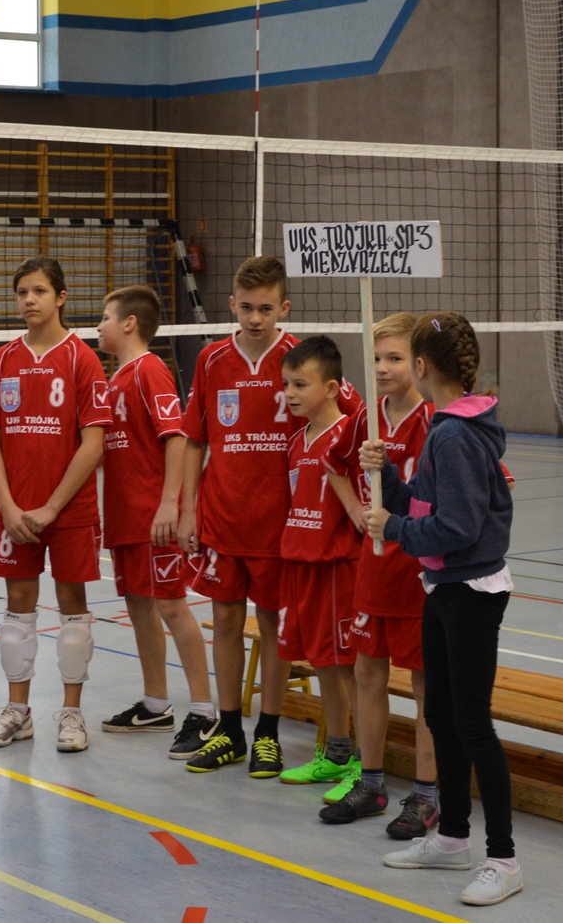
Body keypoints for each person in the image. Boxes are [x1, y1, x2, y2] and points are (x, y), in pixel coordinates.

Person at [177, 257, 356, 775]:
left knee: (275, 625)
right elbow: (194, 440)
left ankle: (268, 734)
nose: (255, 318)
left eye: (266, 309)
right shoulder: (211, 360)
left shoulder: (301, 361)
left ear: (284, 308)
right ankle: (229, 729)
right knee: (226, 620)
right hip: (223, 516)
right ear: (232, 304)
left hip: (282, 525)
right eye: (247, 308)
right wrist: (186, 509)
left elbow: (350, 417)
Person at [366, 312, 521, 907]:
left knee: (472, 724)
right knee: (441, 716)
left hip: (471, 589)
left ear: (422, 365)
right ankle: (452, 838)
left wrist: (393, 527)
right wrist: (389, 479)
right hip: (442, 585)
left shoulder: (453, 434)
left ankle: (503, 858)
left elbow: (456, 527)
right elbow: (428, 503)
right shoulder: (451, 426)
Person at [0, 257, 111, 753]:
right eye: (21, 292)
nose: (29, 300)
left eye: (39, 291)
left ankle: (71, 713)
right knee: (17, 609)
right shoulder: (3, 359)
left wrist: (52, 507)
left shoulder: (81, 359)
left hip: (69, 512)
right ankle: (18, 711)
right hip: (17, 512)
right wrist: (8, 507)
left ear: (61, 297)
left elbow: (93, 442)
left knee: (73, 609)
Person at [319, 312, 439, 836]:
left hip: (420, 571)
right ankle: (370, 784)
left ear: (420, 363)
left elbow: (493, 482)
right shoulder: (367, 418)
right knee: (368, 673)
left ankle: (426, 795)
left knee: (425, 682)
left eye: (395, 358)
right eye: (376, 359)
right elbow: (332, 463)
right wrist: (354, 511)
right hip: (374, 566)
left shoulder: (436, 420)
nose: (384, 368)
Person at [94, 286, 216, 757]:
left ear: (129, 323)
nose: (98, 326)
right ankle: (155, 704)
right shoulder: (116, 379)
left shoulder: (149, 370)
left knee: (172, 607)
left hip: (153, 516)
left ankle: (203, 711)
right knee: (138, 606)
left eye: (105, 317)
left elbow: (177, 437)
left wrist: (171, 505)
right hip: (124, 517)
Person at [272, 336, 365, 798]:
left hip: (336, 567)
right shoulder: (296, 440)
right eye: (286, 383)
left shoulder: (350, 438)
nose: (289, 393)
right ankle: (337, 754)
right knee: (324, 665)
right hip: (301, 564)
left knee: (349, 668)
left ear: (331, 388)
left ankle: (365, 764)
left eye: (300, 384)